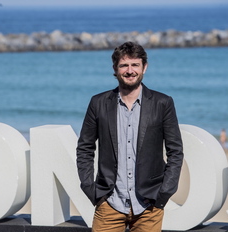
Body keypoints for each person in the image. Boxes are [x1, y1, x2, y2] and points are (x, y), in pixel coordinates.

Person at [76, 41, 184, 232]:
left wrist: (163, 194)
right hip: (109, 204)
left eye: (135, 65)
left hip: (149, 206)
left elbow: (175, 152)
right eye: (124, 65)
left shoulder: (163, 103)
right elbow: (85, 148)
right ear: (115, 69)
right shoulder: (98, 103)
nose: (130, 70)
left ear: (145, 67)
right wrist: (91, 190)